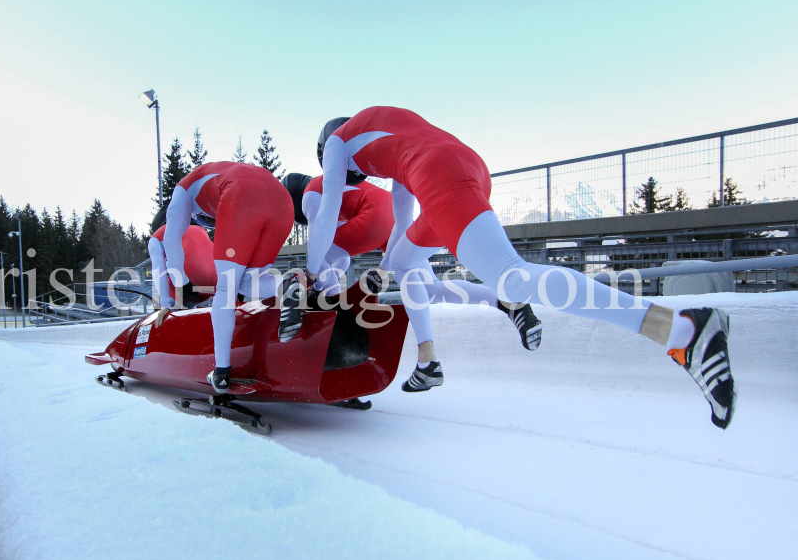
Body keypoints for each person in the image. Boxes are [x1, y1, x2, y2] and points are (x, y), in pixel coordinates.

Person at [310, 106, 735, 428]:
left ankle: (681, 329)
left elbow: (328, 212)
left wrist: (314, 272)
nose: (351, 181)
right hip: (464, 163)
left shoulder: (337, 142)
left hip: (437, 173)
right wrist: (390, 263)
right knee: (405, 261)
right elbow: (403, 212)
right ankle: (427, 361)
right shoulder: (383, 125)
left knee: (511, 273)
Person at [163, 161, 294, 393]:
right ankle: (287, 286)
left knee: (226, 288)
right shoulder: (218, 171)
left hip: (241, 195)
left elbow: (171, 241)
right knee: (247, 284)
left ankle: (222, 372)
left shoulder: (183, 189)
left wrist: (182, 283)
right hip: (283, 202)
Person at [281, 172, 394, 298]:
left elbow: (318, 253)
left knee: (319, 257)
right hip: (395, 212)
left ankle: (335, 307)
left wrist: (316, 288)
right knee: (407, 269)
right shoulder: (328, 191)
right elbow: (343, 259)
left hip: (374, 213)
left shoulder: (311, 194)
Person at [147, 206, 217, 324]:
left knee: (165, 295)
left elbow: (158, 271)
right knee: (187, 300)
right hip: (215, 283)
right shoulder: (200, 229)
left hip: (190, 280)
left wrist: (165, 305)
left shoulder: (157, 237)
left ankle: (169, 323)